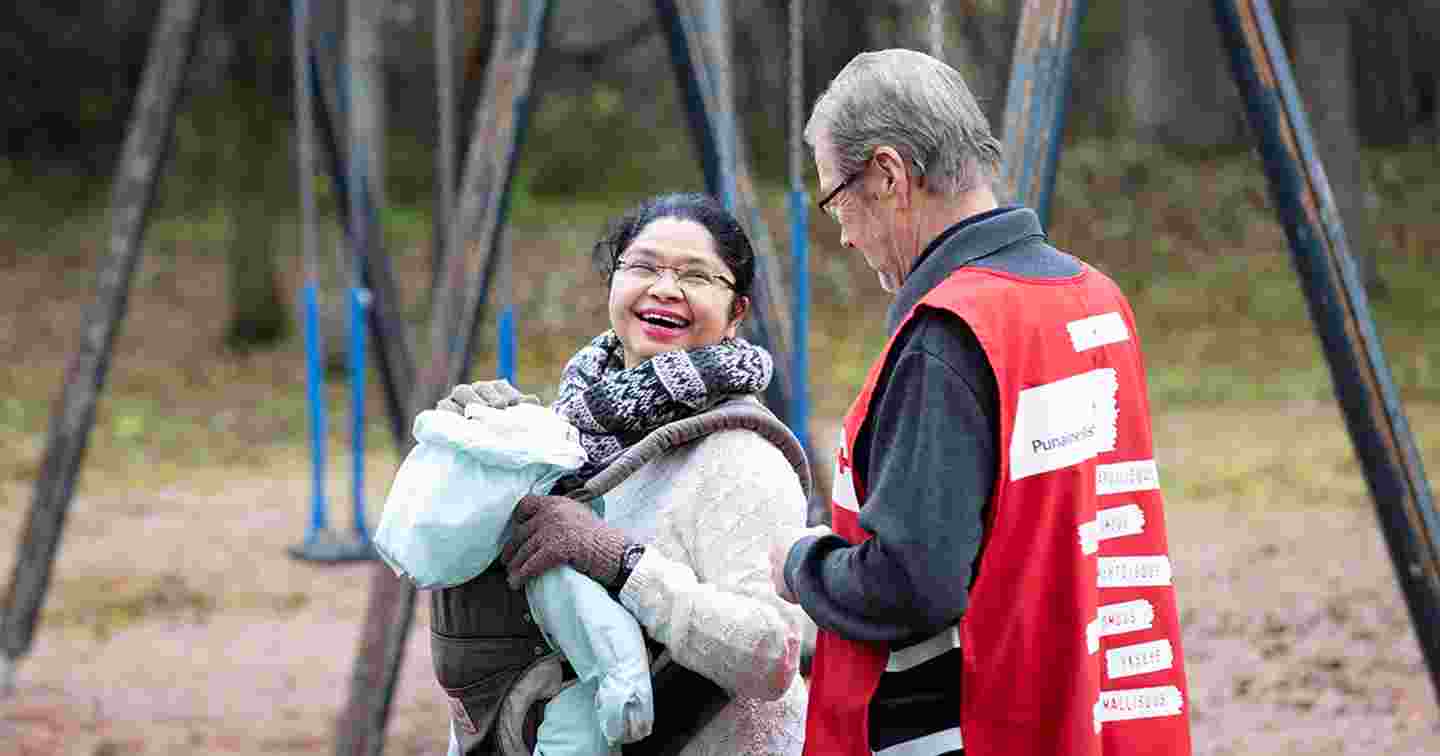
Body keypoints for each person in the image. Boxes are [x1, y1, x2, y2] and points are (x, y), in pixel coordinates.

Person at [769, 49, 1193, 756]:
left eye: (836, 198)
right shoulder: (1094, 298)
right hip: (1100, 723)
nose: (841, 232)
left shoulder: (949, 336)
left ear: (888, 176)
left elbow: (912, 584)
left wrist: (800, 563)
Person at [436, 192, 811, 756]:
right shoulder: (567, 430)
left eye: (697, 275)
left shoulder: (741, 454)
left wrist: (619, 562)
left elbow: (773, 654)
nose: (665, 288)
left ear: (737, 313)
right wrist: (477, 452)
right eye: (643, 266)